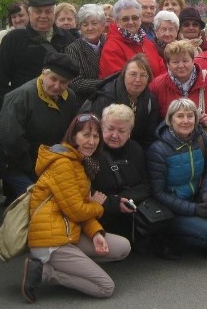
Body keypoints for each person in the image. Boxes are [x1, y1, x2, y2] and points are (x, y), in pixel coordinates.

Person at [21, 113, 131, 302]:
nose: (91, 141)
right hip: (51, 241)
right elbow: (78, 210)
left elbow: (78, 209)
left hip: (68, 231)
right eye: (86, 135)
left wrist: (96, 233)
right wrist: (97, 206)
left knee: (123, 247)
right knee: (105, 287)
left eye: (96, 136)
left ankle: (74, 264)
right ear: (73, 137)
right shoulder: (63, 164)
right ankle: (44, 272)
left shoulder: (78, 162)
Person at [147, 99, 207, 264]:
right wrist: (194, 209)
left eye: (190, 116)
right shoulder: (158, 149)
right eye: (180, 116)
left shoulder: (201, 138)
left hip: (195, 195)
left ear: (196, 120)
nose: (185, 120)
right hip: (172, 209)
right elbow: (159, 193)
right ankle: (167, 239)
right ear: (170, 120)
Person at [0, 52, 81, 199]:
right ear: (43, 74)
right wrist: (34, 170)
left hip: (40, 157)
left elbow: (69, 133)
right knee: (39, 197)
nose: (57, 86)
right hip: (9, 157)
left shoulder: (70, 97)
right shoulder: (22, 95)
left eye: (64, 82)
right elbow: (12, 139)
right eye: (53, 79)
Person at [0, 0, 77, 115]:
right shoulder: (14, 39)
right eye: (38, 11)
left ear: (53, 13)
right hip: (23, 110)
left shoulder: (68, 38)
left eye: (48, 11)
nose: (43, 16)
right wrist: (11, 107)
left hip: (59, 111)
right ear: (30, 13)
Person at [149, 40, 207, 160]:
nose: (181, 65)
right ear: (167, 64)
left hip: (205, 149)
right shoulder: (157, 86)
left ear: (193, 61)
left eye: (185, 61)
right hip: (173, 151)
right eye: (175, 62)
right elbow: (153, 120)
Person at [90, 104, 151, 244]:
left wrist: (123, 200)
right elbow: (85, 190)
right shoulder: (91, 150)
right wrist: (114, 203)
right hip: (101, 214)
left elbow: (146, 185)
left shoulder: (136, 149)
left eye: (121, 131)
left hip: (130, 210)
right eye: (110, 129)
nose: (114, 135)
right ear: (101, 127)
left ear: (129, 132)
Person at [92, 54, 160, 150]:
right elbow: (95, 130)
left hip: (132, 150)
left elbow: (149, 137)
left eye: (143, 75)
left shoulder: (150, 100)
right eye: (133, 74)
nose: (138, 80)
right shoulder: (107, 96)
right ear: (123, 75)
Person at [99, 0, 166, 79]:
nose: (131, 22)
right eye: (125, 19)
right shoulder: (111, 47)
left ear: (140, 19)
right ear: (117, 22)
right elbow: (121, 81)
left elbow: (162, 69)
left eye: (135, 18)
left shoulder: (147, 42)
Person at [64, 4, 107, 104]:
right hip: (87, 102)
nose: (90, 28)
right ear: (80, 27)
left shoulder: (110, 42)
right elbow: (75, 83)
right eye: (85, 24)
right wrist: (107, 83)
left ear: (102, 25)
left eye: (94, 23)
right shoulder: (73, 49)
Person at [0, 0, 28, 101]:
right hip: (8, 93)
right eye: (14, 17)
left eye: (20, 15)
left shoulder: (32, 35)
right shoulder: (3, 35)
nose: (17, 20)